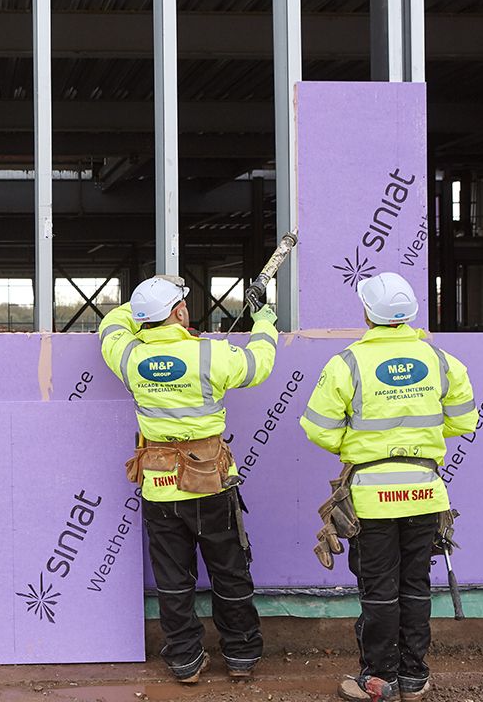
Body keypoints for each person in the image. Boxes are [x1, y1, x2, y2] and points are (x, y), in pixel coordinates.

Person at [300, 272, 478, 702]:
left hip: (372, 499)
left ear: (367, 313)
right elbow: (464, 420)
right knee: (415, 587)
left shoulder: (347, 363)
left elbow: (317, 428)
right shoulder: (441, 361)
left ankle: (379, 679)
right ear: (411, 314)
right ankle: (414, 678)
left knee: (379, 591)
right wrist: (416, 442)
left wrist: (363, 448)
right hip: (426, 493)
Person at [99, 274, 279, 683]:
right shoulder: (209, 355)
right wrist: (263, 317)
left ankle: (185, 660)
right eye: (181, 303)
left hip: (160, 485)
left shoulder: (127, 356)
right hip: (209, 482)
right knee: (229, 569)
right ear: (179, 312)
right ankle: (241, 655)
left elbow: (111, 324)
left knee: (173, 578)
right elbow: (260, 364)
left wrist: (145, 302)